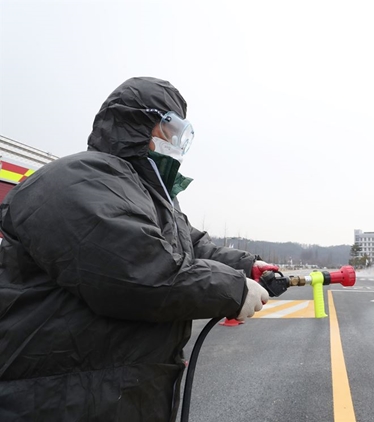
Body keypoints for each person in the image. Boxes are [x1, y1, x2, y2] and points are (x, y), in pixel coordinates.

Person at [0, 76, 276, 421]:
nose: (175, 143)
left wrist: (249, 266)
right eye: (169, 130)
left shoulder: (147, 194)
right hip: (57, 397)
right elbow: (140, 273)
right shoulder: (80, 180)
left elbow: (189, 245)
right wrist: (231, 288)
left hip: (112, 390)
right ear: (138, 122)